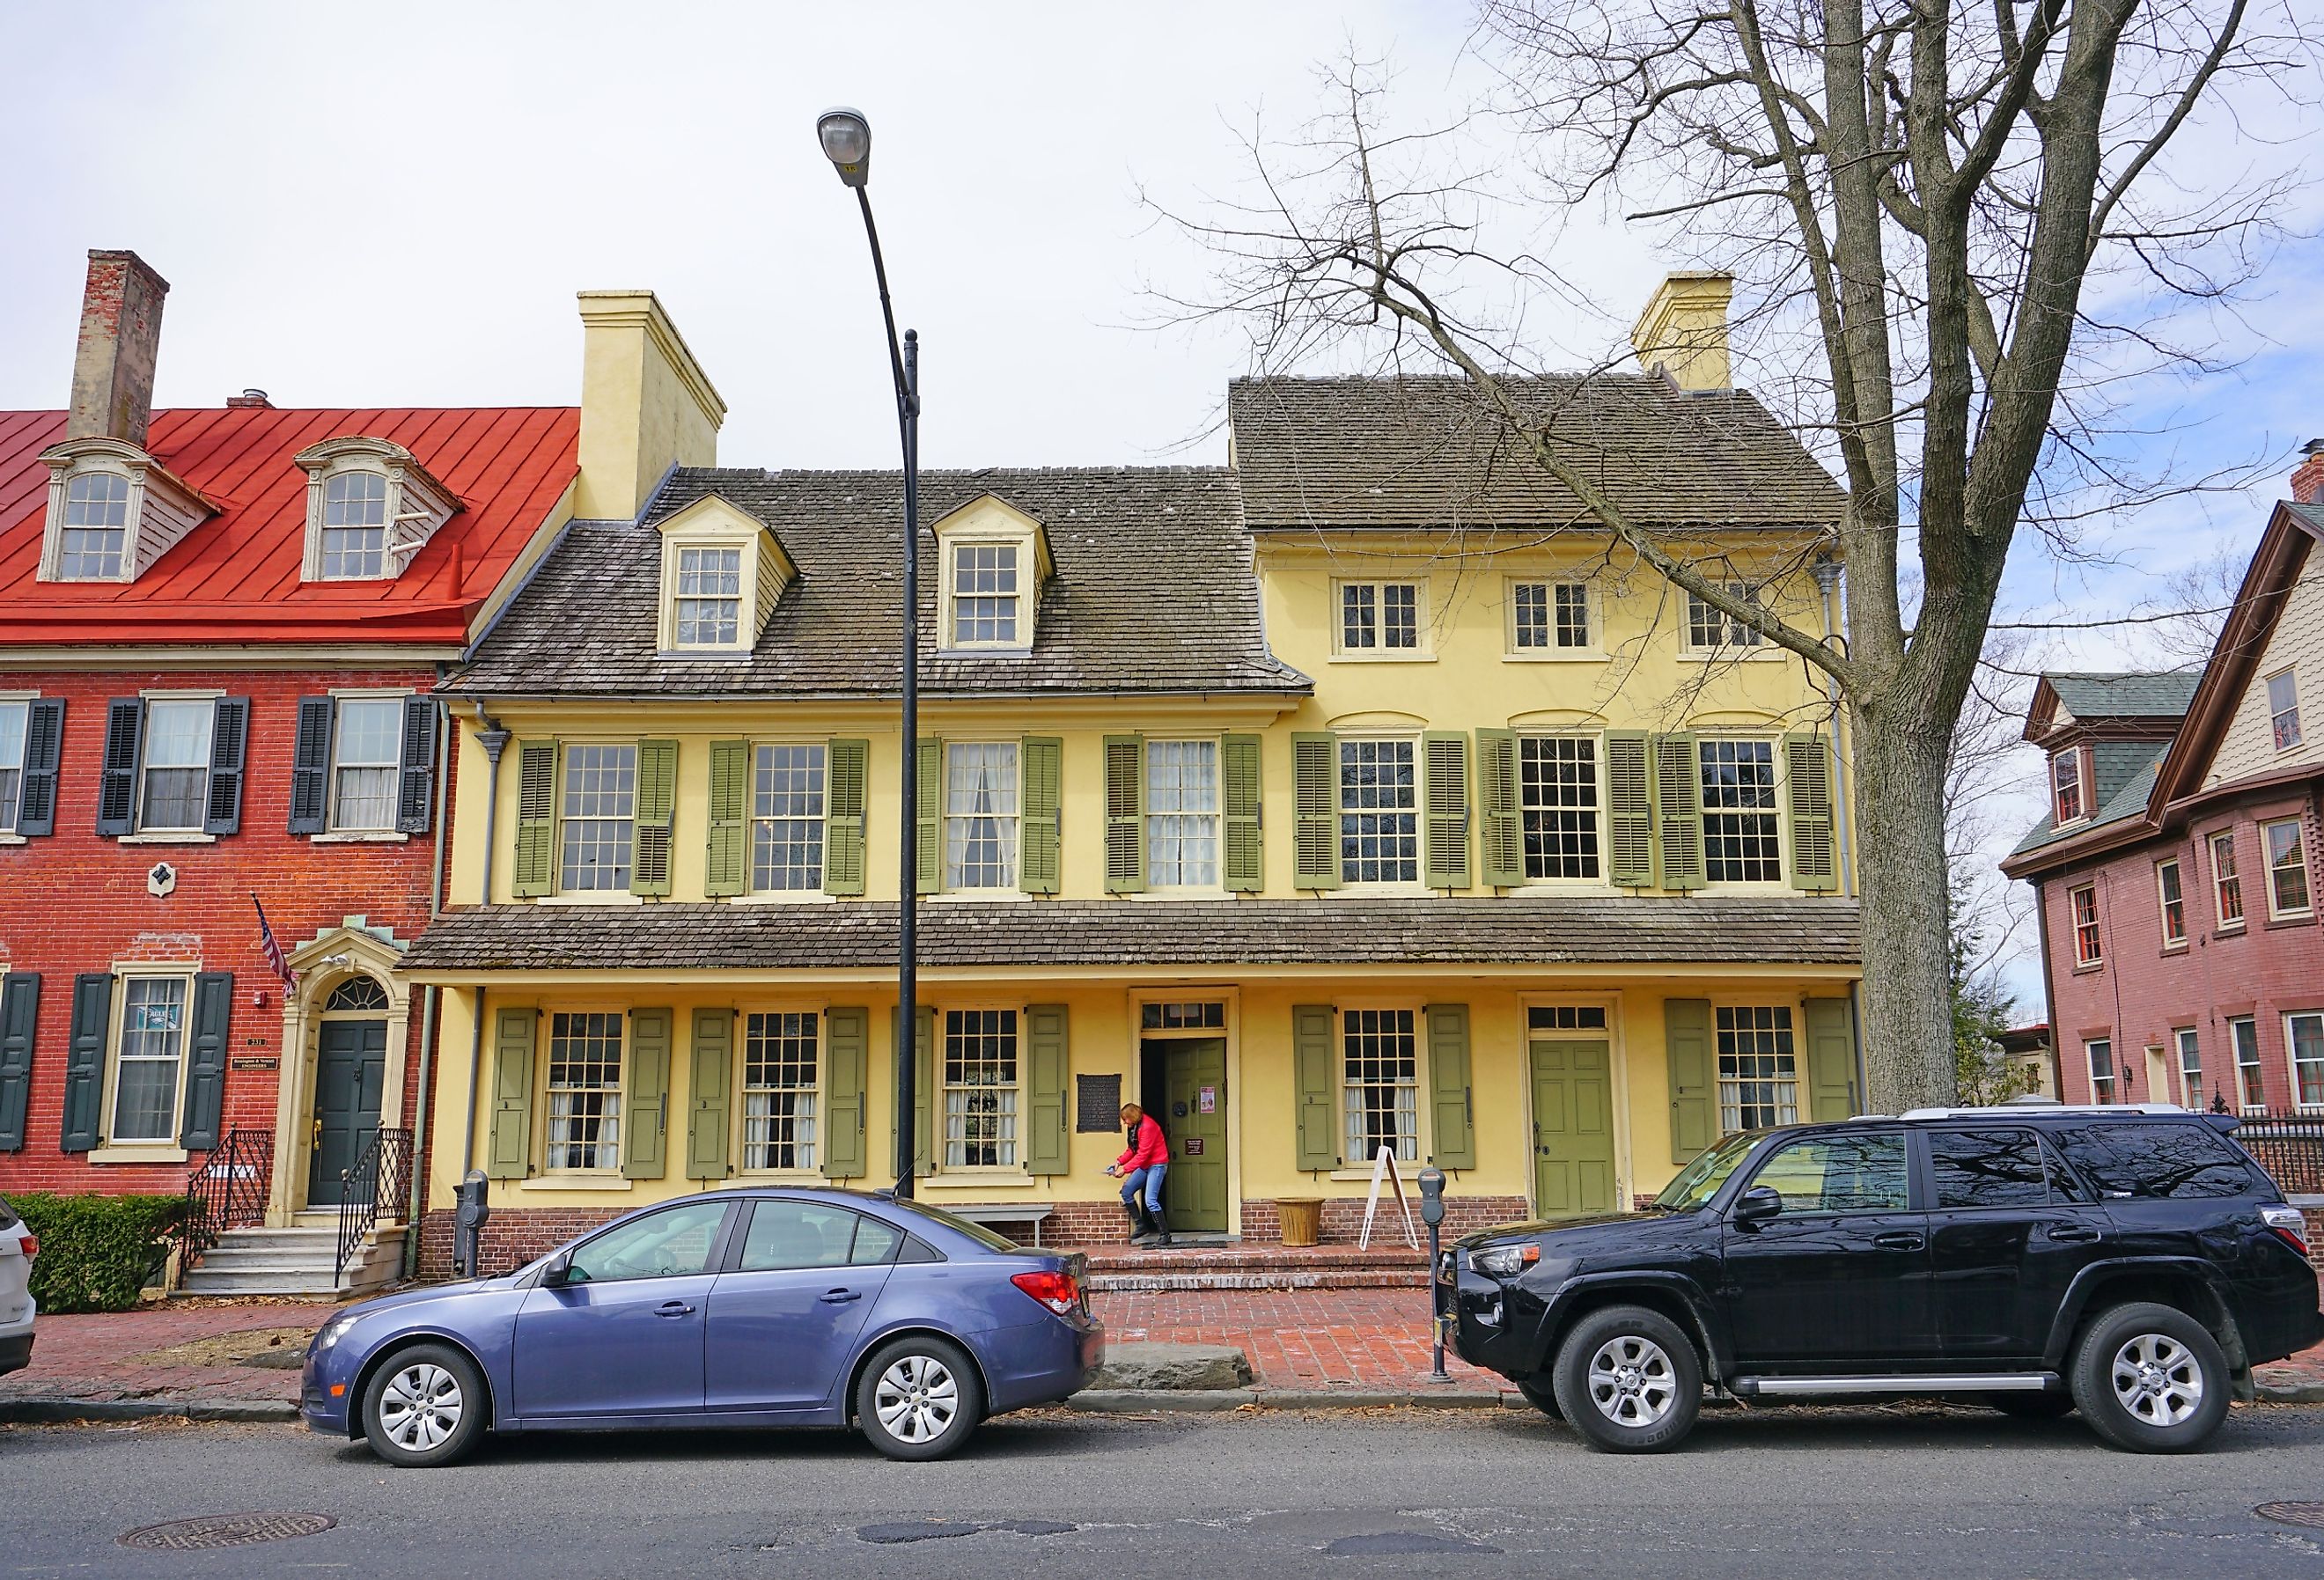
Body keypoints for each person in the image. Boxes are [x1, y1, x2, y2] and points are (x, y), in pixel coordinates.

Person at [1106, 1102, 1171, 1247]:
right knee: (1127, 1191)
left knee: (1150, 1200)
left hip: (1157, 1164)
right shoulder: (1135, 1127)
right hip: (1145, 1165)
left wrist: (1125, 1170)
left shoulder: (1148, 1127)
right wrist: (1118, 1162)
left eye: (1126, 1119)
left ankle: (1165, 1235)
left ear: (1133, 1117)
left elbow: (1143, 1154)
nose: (1124, 1122)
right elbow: (1132, 1149)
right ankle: (1141, 1226)